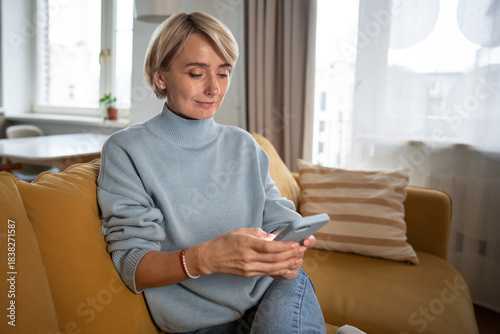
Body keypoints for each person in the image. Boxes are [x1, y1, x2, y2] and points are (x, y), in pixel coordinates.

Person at [97, 11, 362, 334]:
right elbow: (132, 265)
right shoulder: (128, 150)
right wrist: (204, 259)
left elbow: (278, 218)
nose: (214, 89)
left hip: (275, 290)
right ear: (160, 77)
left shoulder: (244, 145)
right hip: (199, 324)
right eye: (197, 73)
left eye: (223, 74)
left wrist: (291, 242)